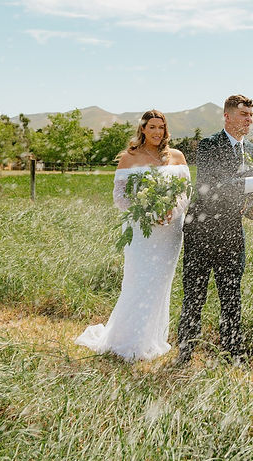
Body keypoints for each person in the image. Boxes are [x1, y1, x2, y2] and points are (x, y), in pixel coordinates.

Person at [75, 109, 190, 361]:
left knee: (160, 283)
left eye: (161, 127)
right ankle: (129, 339)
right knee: (139, 279)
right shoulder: (130, 157)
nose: (157, 132)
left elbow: (185, 192)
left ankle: (151, 338)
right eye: (152, 127)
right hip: (141, 230)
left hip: (170, 230)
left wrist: (171, 211)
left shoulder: (177, 156)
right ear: (143, 129)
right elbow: (120, 197)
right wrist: (147, 212)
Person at [175, 94, 253, 366]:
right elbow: (210, 187)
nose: (249, 120)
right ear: (227, 116)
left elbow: (251, 198)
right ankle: (185, 353)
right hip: (202, 231)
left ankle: (233, 353)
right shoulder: (209, 145)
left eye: (251, 115)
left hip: (231, 233)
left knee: (231, 295)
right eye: (244, 114)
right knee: (195, 294)